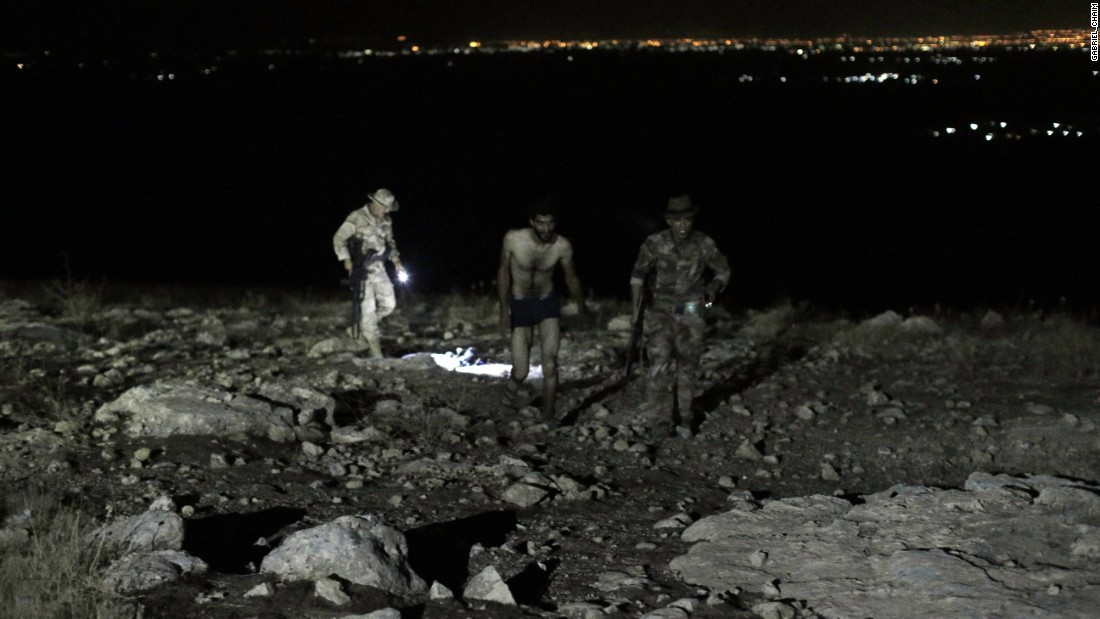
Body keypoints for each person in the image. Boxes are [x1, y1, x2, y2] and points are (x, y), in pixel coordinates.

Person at [630, 195, 730, 439]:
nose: (683, 225)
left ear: (692, 219)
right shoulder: (655, 243)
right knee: (659, 363)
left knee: (687, 365)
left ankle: (684, 416)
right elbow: (637, 276)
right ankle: (660, 421)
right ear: (668, 220)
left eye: (687, 220)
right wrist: (636, 313)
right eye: (677, 220)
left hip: (692, 310)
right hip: (661, 310)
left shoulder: (704, 243)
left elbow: (723, 271)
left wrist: (714, 289)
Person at [497, 201, 586, 420]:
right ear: (531, 222)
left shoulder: (562, 246)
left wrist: (582, 307)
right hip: (520, 303)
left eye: (550, 223)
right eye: (540, 223)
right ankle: (508, 397)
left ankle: (548, 416)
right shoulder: (513, 239)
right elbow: (503, 272)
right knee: (521, 371)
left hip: (547, 303)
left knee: (550, 364)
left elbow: (571, 277)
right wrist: (503, 309)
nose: (546, 229)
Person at [332, 188, 408, 358]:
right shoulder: (357, 217)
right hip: (361, 270)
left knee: (389, 304)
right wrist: (346, 259)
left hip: (379, 269)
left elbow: (390, 242)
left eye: (389, 208)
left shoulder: (387, 220)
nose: (387, 211)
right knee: (368, 310)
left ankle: (362, 326)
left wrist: (396, 262)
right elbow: (338, 238)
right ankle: (376, 352)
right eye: (385, 207)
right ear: (375, 203)